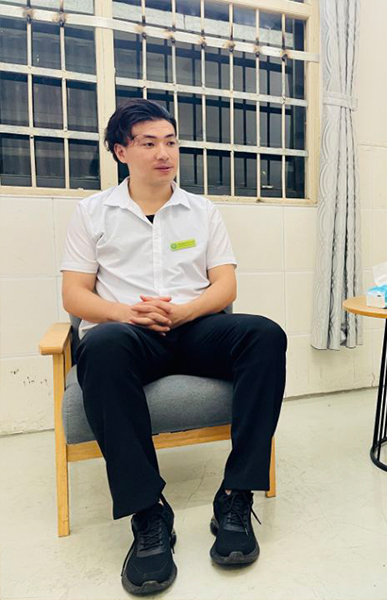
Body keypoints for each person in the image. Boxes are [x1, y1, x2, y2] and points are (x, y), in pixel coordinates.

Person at [61, 99, 286, 595]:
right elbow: (74, 295)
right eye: (148, 143)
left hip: (193, 327)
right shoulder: (93, 213)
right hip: (129, 333)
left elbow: (225, 286)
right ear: (121, 151)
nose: (164, 153)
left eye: (170, 142)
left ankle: (236, 494)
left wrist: (185, 312)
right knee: (100, 347)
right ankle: (148, 513)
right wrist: (126, 313)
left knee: (265, 334)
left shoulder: (201, 211)